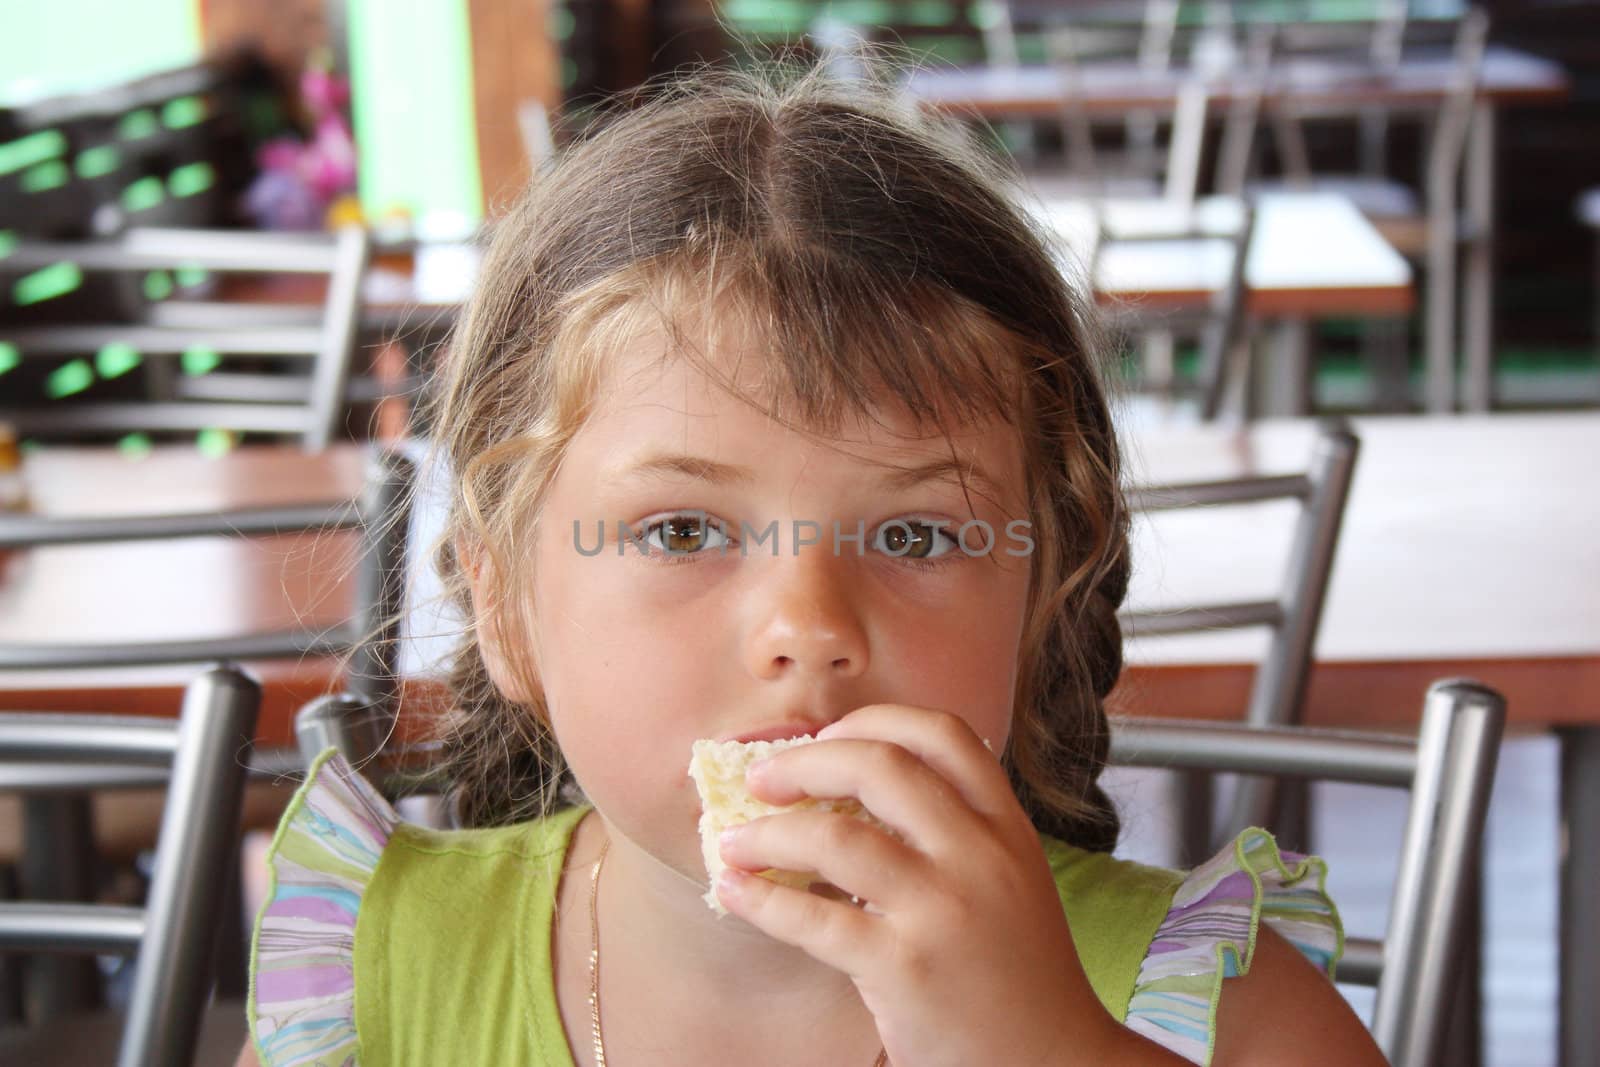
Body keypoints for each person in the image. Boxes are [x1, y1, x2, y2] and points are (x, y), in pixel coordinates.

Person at [238, 60, 1386, 1067]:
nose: (807, 622)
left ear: (1041, 597)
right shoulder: (367, 987)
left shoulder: (1216, 1010)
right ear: (503, 608)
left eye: (915, 534)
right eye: (682, 530)